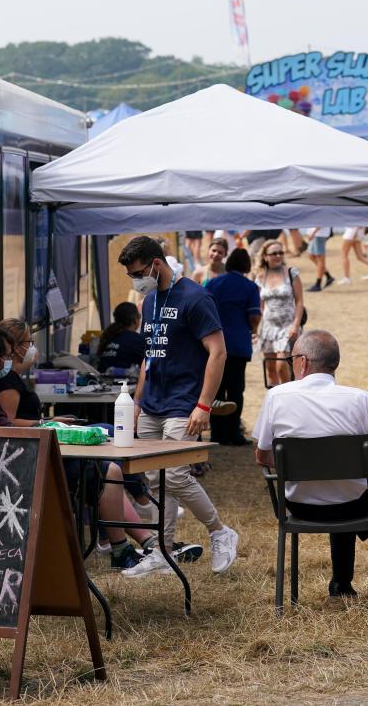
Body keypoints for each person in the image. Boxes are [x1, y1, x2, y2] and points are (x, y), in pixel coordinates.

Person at [0, 325, 153, 569]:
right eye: (7, 356)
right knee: (108, 471)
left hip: (12, 466)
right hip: (13, 473)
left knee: (106, 468)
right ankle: (122, 549)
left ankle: (123, 544)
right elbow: (7, 429)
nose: (10, 361)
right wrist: (50, 428)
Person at [253, 330, 368, 599]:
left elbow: (262, 458)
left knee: (339, 484)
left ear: (302, 361)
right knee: (347, 488)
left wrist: (305, 464)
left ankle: (343, 583)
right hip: (352, 506)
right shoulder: (361, 400)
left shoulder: (276, 397)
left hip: (299, 505)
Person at [116, 236, 240, 577]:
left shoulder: (196, 297)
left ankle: (219, 531)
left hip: (184, 404)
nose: (135, 281)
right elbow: (149, 356)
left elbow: (218, 352)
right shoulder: (150, 300)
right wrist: (138, 402)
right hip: (152, 403)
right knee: (155, 482)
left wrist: (203, 405)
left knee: (174, 475)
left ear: (156, 264)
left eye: (138, 273)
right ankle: (163, 551)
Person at [205, 248, 261, 444]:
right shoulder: (250, 287)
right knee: (236, 390)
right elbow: (254, 315)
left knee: (216, 389)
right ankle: (233, 433)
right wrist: (253, 329)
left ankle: (217, 433)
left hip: (213, 343)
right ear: (246, 265)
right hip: (237, 344)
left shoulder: (212, 283)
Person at [255, 242, 305, 387]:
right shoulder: (260, 277)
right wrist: (256, 329)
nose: (278, 256)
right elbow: (260, 307)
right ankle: (274, 400)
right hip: (268, 328)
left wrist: (296, 325)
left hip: (288, 327)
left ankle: (288, 395)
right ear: (265, 257)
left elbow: (300, 301)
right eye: (274, 253)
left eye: (280, 253)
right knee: (270, 369)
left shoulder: (291, 273)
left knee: (282, 365)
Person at [0, 318, 45, 426]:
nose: (31, 347)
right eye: (29, 342)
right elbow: (8, 422)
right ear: (16, 347)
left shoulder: (11, 375)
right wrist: (44, 424)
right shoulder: (8, 381)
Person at [96, 302, 145, 376]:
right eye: (139, 316)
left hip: (102, 383)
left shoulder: (108, 336)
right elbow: (149, 366)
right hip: (124, 384)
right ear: (135, 319)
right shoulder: (136, 340)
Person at [303, 227, 335, 291]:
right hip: (316, 234)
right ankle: (328, 276)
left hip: (319, 234)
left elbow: (320, 221)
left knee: (320, 258)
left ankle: (318, 284)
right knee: (311, 256)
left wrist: (313, 233)